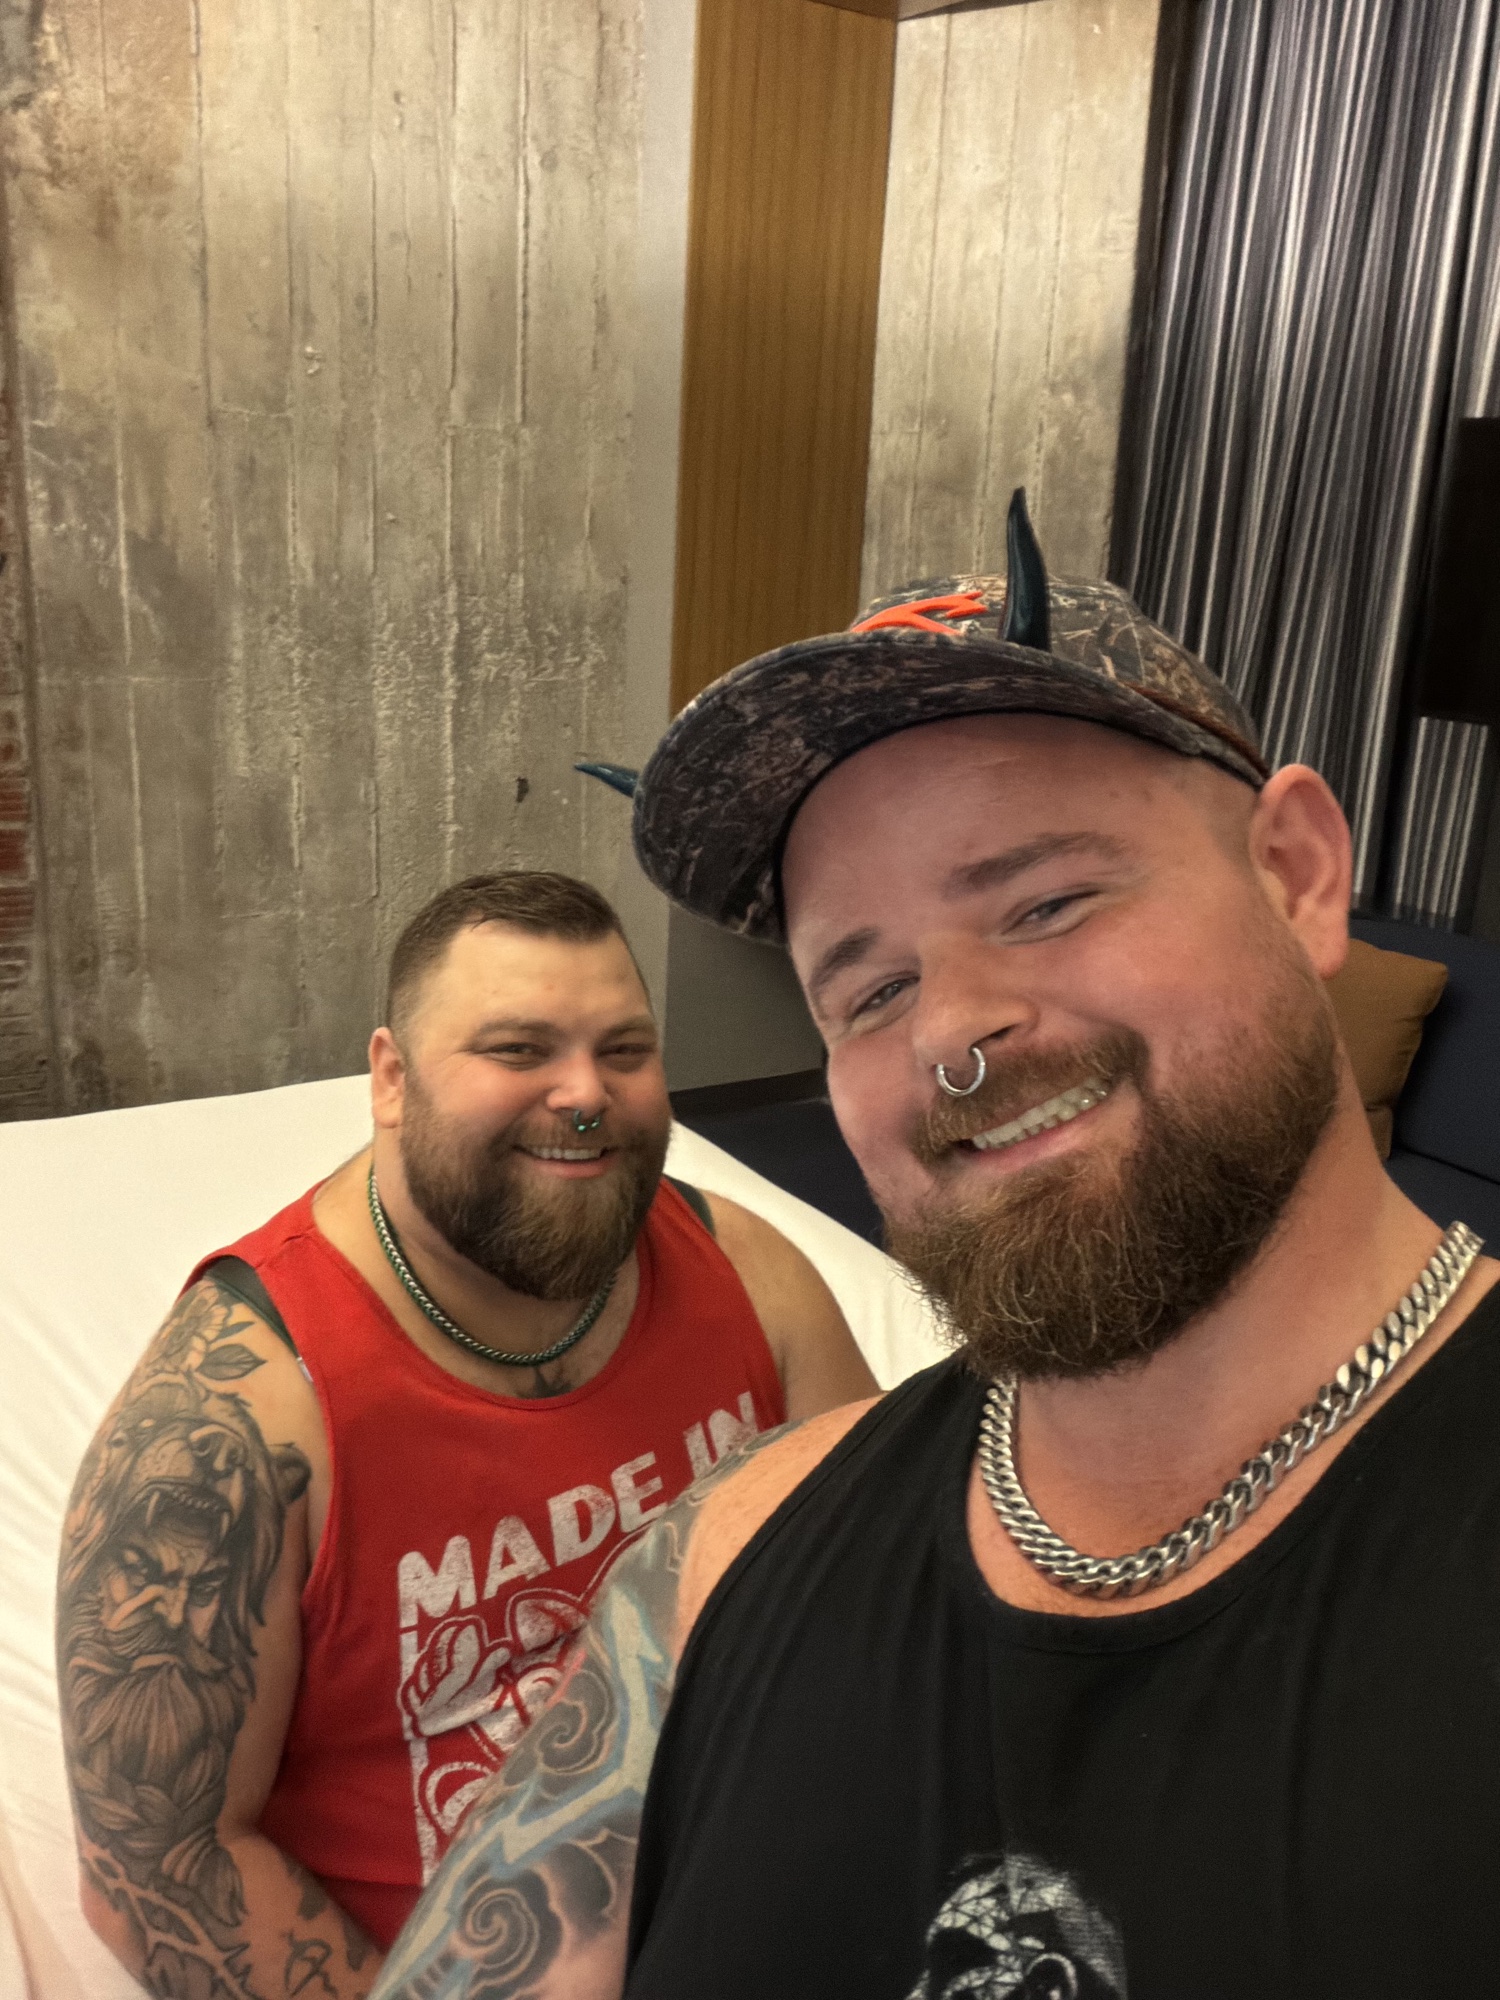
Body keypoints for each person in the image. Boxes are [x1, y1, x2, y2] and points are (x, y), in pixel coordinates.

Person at [371, 496, 1500, 2000]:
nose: (953, 1037)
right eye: (870, 992)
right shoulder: (721, 1560)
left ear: (1295, 875)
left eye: (1045, 900)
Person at [57, 868, 877, 1999]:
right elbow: (160, 1873)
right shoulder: (233, 1422)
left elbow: (887, 1593)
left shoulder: (746, 1273)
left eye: (625, 1051)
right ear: (392, 1079)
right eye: (518, 1050)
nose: (584, 1095)